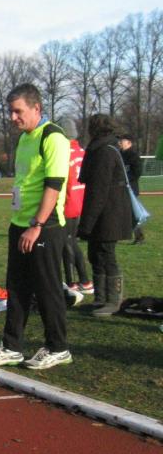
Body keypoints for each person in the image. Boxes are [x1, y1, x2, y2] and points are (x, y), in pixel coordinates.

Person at [0, 83, 71, 370]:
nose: (13, 117)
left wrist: (37, 224)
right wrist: (21, 223)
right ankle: (12, 346)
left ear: (36, 108)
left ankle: (58, 347)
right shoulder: (24, 138)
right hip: (19, 223)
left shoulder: (53, 137)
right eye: (10, 111)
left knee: (47, 289)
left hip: (45, 226)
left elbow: (54, 185)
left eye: (18, 111)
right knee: (16, 288)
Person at [78, 115, 133, 316]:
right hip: (106, 211)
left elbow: (99, 190)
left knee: (106, 254)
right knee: (96, 254)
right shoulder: (101, 149)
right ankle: (100, 298)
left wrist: (87, 223)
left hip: (110, 213)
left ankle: (113, 300)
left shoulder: (104, 151)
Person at [58, 118, 92, 295]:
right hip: (81, 202)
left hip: (68, 203)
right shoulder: (82, 151)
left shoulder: (64, 153)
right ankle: (84, 281)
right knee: (72, 242)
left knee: (66, 244)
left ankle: (72, 282)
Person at [117, 134, 144, 244]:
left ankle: (139, 236)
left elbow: (137, 172)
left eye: (122, 140)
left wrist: (126, 180)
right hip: (120, 188)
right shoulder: (119, 154)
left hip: (130, 189)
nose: (120, 142)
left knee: (133, 213)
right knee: (120, 212)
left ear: (129, 143)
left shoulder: (133, 155)